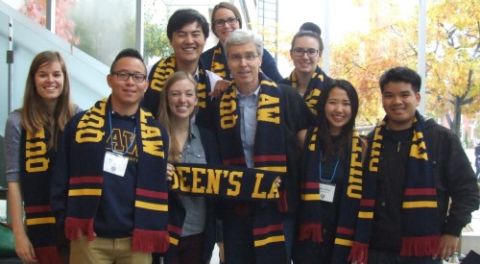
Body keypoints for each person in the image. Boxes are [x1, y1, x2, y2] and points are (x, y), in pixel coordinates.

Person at [50, 48, 170, 264]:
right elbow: (61, 175)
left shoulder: (157, 133)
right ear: (110, 80)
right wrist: (64, 219)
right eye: (123, 75)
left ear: (146, 85)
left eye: (137, 77)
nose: (130, 82)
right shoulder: (79, 124)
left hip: (136, 241)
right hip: (88, 238)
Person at [352, 67, 479, 264]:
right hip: (376, 250)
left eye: (404, 95)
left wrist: (452, 231)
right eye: (389, 96)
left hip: (424, 251)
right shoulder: (371, 142)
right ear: (383, 99)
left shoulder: (441, 139)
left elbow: (468, 191)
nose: (397, 102)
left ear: (417, 97)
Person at [215, 29, 311, 264]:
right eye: (236, 57)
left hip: (279, 204)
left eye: (250, 56)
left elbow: (308, 146)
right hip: (236, 207)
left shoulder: (286, 97)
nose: (243, 63)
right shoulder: (218, 104)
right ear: (228, 62)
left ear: (260, 58)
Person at [5, 51, 78, 264]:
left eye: (56, 74)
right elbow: (13, 181)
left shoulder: (79, 118)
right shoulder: (17, 121)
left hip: (73, 226)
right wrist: (19, 234)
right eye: (43, 74)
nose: (50, 80)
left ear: (64, 79)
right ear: (33, 80)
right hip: (38, 226)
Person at [293, 79, 364, 263]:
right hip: (307, 231)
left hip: (341, 231)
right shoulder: (304, 138)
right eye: (332, 102)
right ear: (323, 105)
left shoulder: (362, 148)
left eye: (346, 104)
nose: (339, 110)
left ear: (354, 108)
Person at [158, 71, 220, 264]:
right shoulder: (151, 134)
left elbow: (218, 187)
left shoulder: (208, 138)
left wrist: (221, 237)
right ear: (166, 99)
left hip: (198, 234)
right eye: (175, 94)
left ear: (196, 100)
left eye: (188, 94)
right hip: (161, 232)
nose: (182, 100)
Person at [144, 8, 222, 129]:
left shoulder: (213, 83)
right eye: (181, 34)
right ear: (171, 40)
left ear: (205, 40)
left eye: (195, 34)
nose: (189, 41)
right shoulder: (148, 75)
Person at [200, 2, 283, 82]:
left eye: (231, 20)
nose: (226, 26)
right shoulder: (205, 59)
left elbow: (279, 86)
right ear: (214, 28)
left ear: (239, 23)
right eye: (220, 22)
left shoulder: (258, 53)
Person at [281, 28, 333, 115]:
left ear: (319, 55)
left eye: (311, 51)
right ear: (291, 54)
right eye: (299, 50)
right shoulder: (279, 89)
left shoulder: (331, 88)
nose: (305, 57)